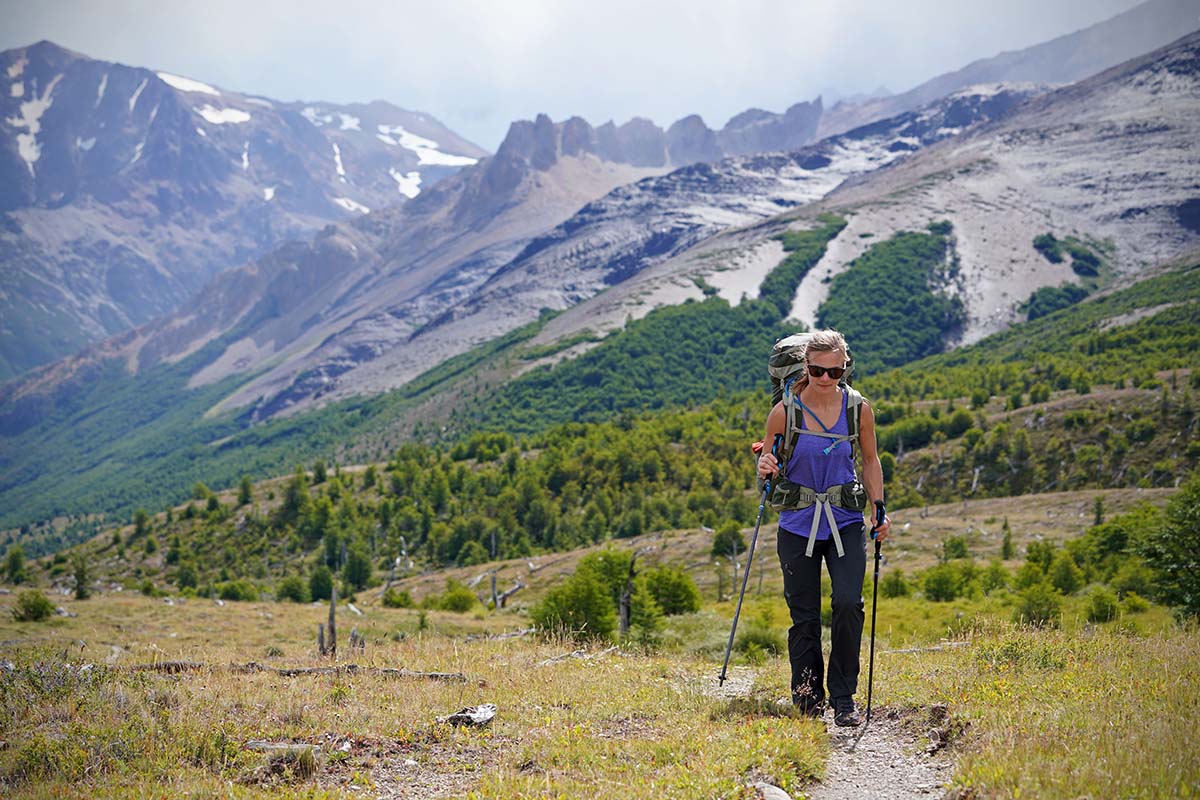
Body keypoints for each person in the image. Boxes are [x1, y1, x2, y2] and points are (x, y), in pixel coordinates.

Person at [756, 329, 891, 727]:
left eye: (835, 372)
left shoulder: (858, 409)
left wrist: (879, 509)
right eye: (817, 371)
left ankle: (844, 698)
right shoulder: (784, 411)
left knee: (848, 603)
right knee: (805, 615)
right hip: (797, 523)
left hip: (844, 519)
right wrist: (764, 465)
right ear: (806, 366)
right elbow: (767, 461)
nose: (826, 379)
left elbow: (870, 460)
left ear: (845, 369)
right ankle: (807, 699)